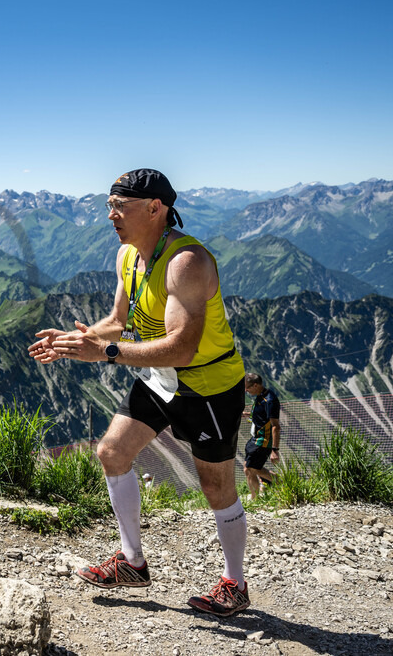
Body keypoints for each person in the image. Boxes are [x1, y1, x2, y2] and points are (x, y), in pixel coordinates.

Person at [28, 168, 250, 617]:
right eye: (109, 206)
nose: (111, 215)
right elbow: (118, 320)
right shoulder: (127, 255)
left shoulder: (187, 263)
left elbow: (183, 347)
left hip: (207, 386)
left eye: (120, 207)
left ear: (155, 209)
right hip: (159, 378)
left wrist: (106, 352)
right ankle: (132, 563)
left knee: (216, 487)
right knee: (112, 452)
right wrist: (77, 340)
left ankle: (235, 583)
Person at [243, 372, 281, 500]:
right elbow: (261, 416)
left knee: (251, 468)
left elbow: (275, 426)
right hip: (255, 438)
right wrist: (247, 414)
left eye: (247, 388)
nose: (246, 391)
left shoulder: (270, 400)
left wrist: (274, 450)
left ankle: (279, 481)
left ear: (255, 385)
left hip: (263, 440)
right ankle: (256, 497)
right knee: (248, 468)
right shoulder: (260, 396)